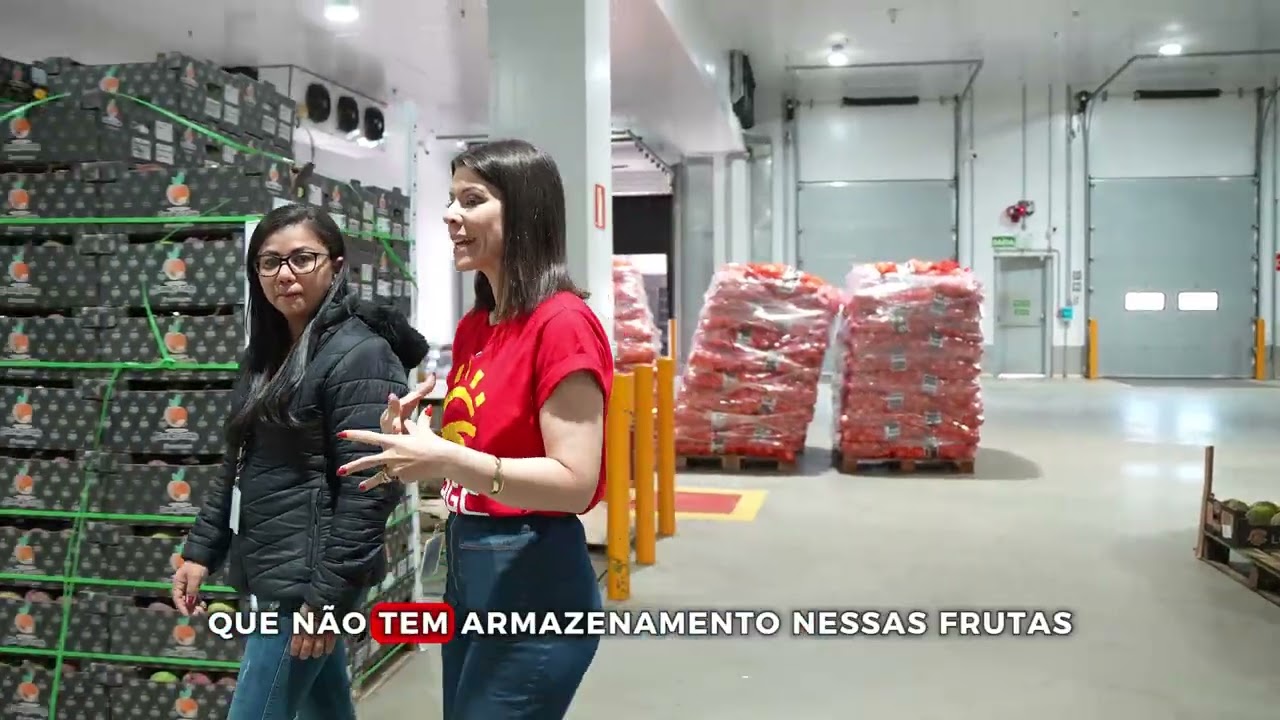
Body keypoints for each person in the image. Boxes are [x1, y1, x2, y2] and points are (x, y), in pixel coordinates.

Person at [336, 139, 613, 719]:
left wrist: (446, 459)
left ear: (524, 212)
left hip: (534, 574)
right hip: (467, 561)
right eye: (451, 199)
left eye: (472, 199)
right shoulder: (477, 327)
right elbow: (476, 450)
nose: (450, 215)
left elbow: (575, 482)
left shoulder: (562, 324)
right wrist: (414, 440)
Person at [171, 203, 429, 719]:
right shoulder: (266, 356)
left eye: (302, 259)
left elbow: (370, 489)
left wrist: (326, 604)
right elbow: (238, 463)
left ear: (335, 266)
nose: (284, 274)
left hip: (308, 582)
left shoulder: (362, 356)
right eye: (269, 262)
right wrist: (201, 550)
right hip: (275, 565)